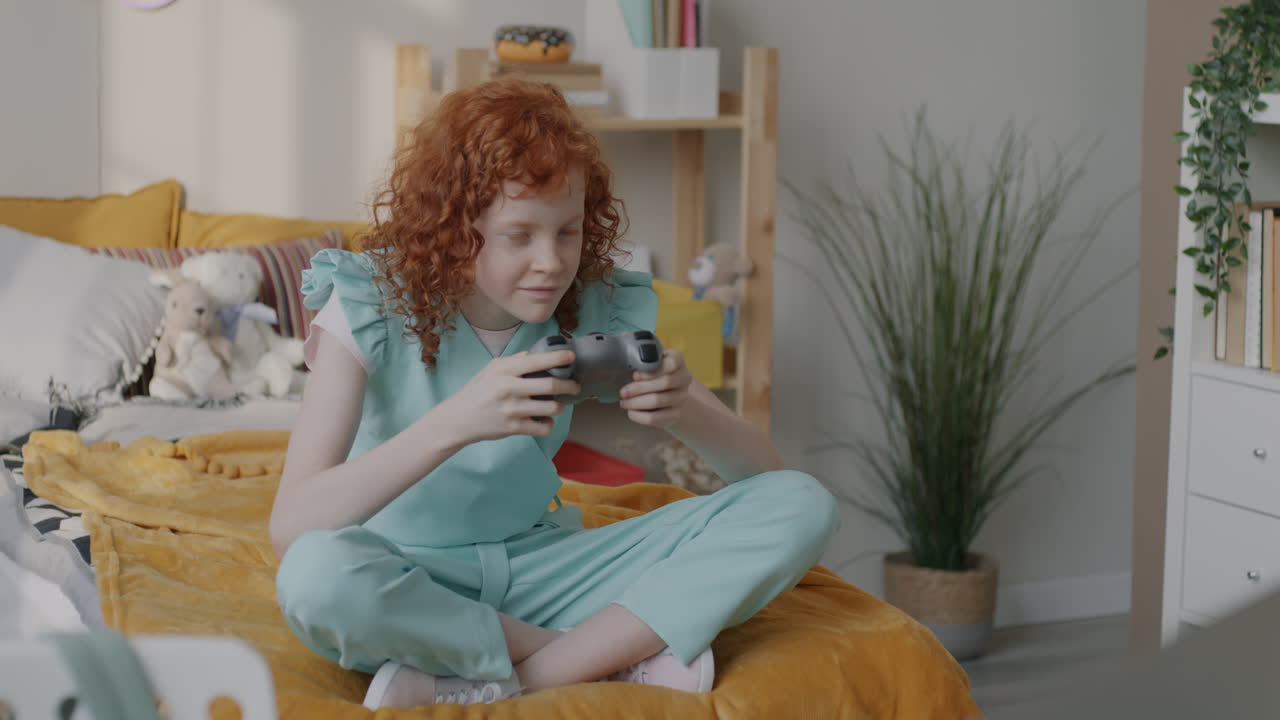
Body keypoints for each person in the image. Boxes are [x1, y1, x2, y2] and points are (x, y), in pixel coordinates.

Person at [269, 77, 839, 710]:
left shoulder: (593, 302)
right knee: (314, 576)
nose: (551, 262)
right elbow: (291, 526)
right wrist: (457, 421)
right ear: (457, 228)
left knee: (801, 503)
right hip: (407, 574)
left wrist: (685, 415)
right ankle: (599, 657)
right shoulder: (367, 300)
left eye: (567, 233)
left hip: (547, 566)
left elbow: (762, 478)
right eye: (521, 236)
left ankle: (525, 676)